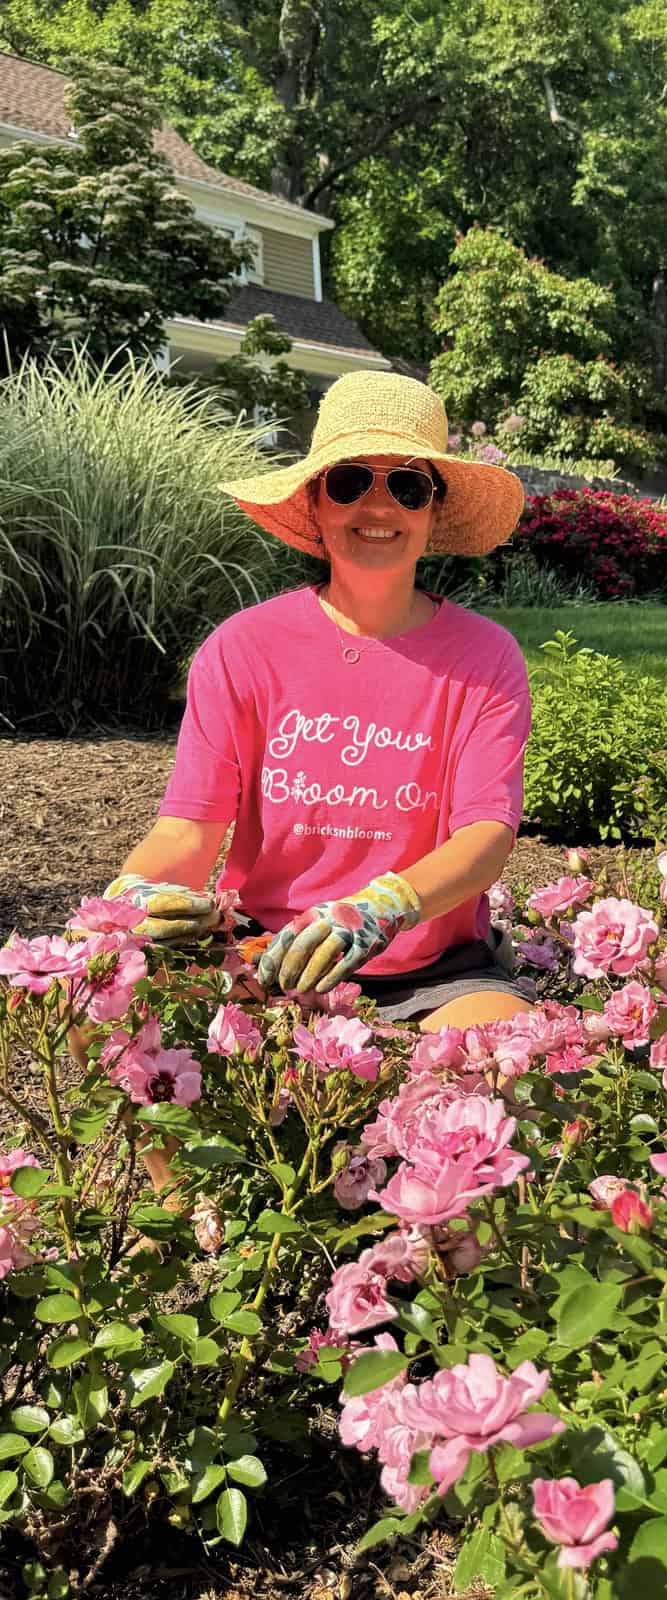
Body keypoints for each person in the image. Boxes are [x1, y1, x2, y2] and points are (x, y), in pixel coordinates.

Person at [93, 374, 537, 1190]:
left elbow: (485, 835)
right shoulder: (245, 648)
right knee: (112, 1008)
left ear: (433, 511)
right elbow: (189, 827)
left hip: (432, 970)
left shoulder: (484, 658)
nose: (378, 505)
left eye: (407, 485)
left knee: (521, 1071)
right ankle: (186, 1221)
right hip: (265, 955)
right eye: (350, 481)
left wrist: (385, 906)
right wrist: (131, 901)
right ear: (317, 503)